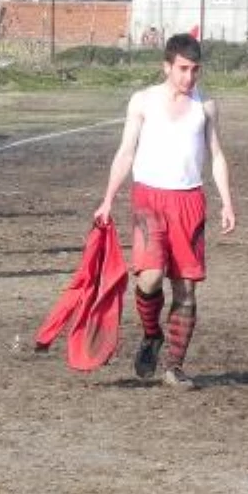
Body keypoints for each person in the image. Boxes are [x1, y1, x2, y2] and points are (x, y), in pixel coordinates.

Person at [92, 32, 236, 389]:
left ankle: (174, 366)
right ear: (167, 66)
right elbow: (126, 151)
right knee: (150, 277)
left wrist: (227, 202)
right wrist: (108, 198)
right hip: (149, 199)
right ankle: (152, 334)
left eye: (195, 70)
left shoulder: (206, 106)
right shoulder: (143, 101)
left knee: (186, 287)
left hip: (189, 202)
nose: (190, 77)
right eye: (183, 69)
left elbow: (216, 155)